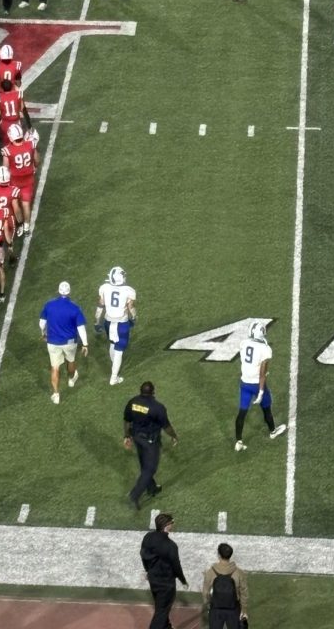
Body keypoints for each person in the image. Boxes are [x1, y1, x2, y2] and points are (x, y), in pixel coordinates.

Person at [124, 381, 178, 509]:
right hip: (150, 441)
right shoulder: (157, 407)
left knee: (144, 463)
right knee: (150, 469)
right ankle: (135, 494)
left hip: (137, 437)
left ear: (140, 390)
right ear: (153, 392)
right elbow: (166, 426)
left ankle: (151, 488)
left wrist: (127, 435)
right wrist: (174, 436)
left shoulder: (133, 402)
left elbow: (127, 419)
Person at [234, 321, 287, 451]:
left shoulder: (244, 343)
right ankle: (273, 431)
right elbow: (262, 373)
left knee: (242, 412)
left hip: (244, 383)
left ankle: (238, 441)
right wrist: (261, 391)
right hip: (256, 384)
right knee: (266, 409)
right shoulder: (265, 349)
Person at [40, 281, 89, 402]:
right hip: (69, 342)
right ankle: (71, 380)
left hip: (52, 341)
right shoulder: (75, 308)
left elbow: (42, 323)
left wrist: (44, 334)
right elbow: (81, 328)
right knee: (71, 360)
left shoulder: (49, 305)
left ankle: (56, 394)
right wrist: (85, 344)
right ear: (69, 292)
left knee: (55, 368)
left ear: (58, 291)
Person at [140, 513, 188, 629]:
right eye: (172, 522)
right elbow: (176, 566)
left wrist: (147, 570)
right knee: (161, 612)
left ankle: (167, 626)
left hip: (153, 579)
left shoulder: (148, 537)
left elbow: (143, 554)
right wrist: (183, 580)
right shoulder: (171, 546)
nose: (173, 524)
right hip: (166, 584)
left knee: (161, 607)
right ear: (167, 525)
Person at [96, 265, 136, 385]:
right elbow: (131, 307)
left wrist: (97, 321)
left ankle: (115, 368)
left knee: (113, 343)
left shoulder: (104, 287)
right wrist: (134, 317)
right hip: (121, 323)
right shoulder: (129, 290)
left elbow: (100, 306)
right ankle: (114, 378)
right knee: (119, 350)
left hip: (108, 321)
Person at [202, 543, 249, 629]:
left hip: (216, 609)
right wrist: (244, 610)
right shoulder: (239, 572)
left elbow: (205, 593)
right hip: (233, 609)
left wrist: (208, 605)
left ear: (219, 555)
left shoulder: (210, 572)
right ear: (230, 556)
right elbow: (244, 593)